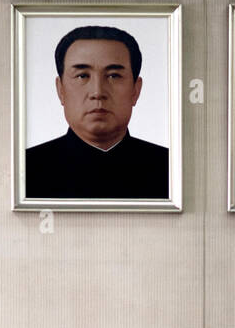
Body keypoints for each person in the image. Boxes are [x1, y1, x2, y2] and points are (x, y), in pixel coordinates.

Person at [25, 25, 169, 199]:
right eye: (82, 76)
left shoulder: (171, 170)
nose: (97, 92)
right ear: (60, 89)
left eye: (114, 76)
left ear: (135, 90)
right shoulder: (25, 170)